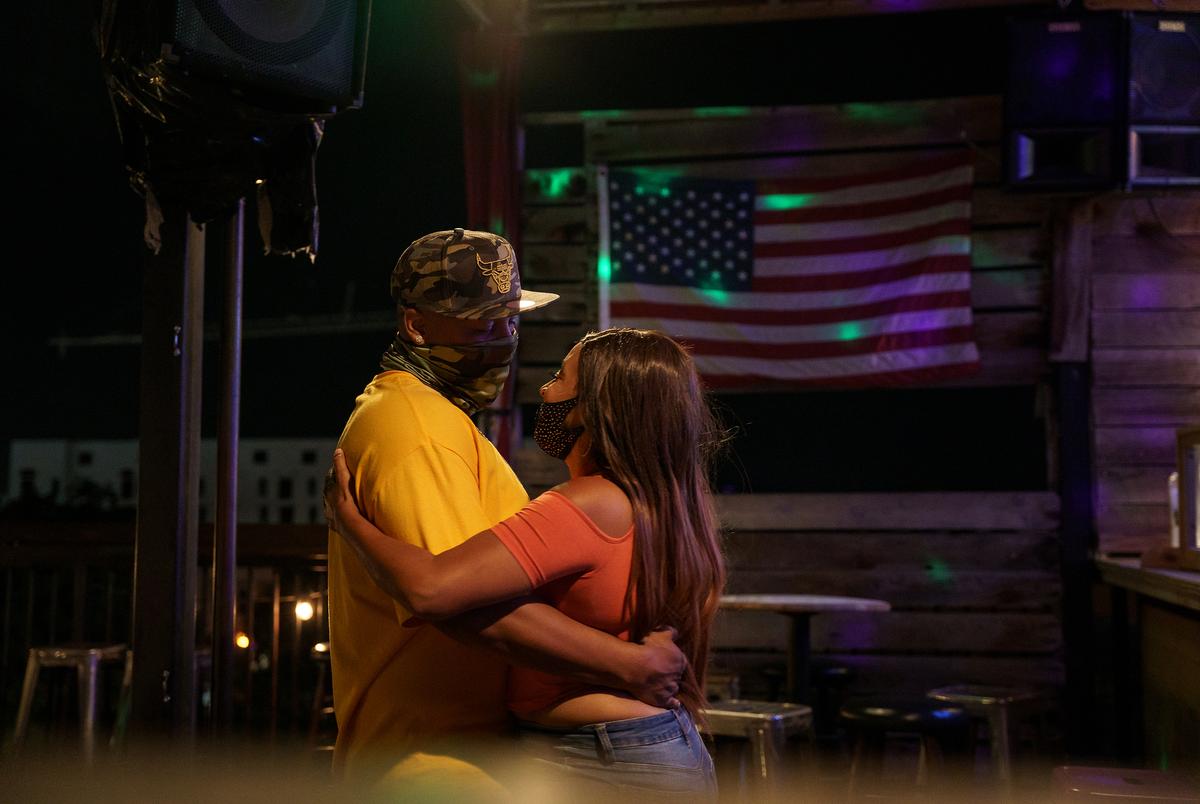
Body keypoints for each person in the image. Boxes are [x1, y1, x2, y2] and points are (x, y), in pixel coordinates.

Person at [329, 229, 687, 793]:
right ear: (417, 325)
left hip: (492, 757)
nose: (504, 338)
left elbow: (450, 590)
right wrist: (628, 664)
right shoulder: (419, 426)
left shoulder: (443, 422)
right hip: (433, 761)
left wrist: (351, 527)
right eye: (482, 321)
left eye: (510, 317)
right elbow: (454, 602)